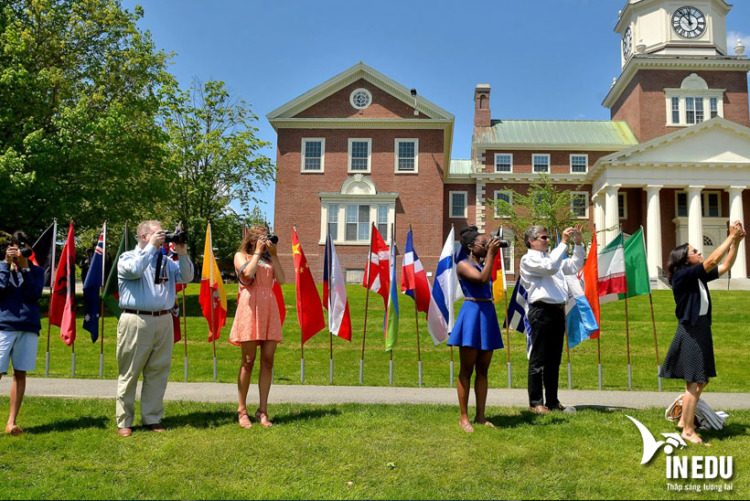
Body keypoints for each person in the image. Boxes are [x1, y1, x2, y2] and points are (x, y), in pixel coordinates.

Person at [661, 220, 745, 446]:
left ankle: (684, 420)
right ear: (684, 259)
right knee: (693, 382)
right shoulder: (683, 276)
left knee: (701, 380)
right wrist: (730, 236)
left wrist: (735, 242)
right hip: (690, 330)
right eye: (694, 251)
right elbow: (712, 260)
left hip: (701, 329)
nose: (699, 252)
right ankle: (688, 431)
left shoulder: (696, 276)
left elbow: (725, 265)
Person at [115, 220, 194, 437]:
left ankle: (152, 417)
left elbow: (187, 277)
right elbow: (134, 270)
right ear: (144, 237)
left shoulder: (167, 261)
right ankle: (124, 421)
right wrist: (151, 248)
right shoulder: (127, 257)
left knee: (158, 371)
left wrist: (183, 253)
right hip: (136, 319)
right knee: (130, 372)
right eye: (159, 234)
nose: (164, 237)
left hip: (164, 319)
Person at [520, 224, 584, 415]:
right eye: (543, 238)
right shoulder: (528, 259)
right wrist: (563, 242)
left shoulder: (552, 258)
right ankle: (536, 403)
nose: (548, 240)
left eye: (548, 238)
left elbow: (574, 265)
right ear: (531, 241)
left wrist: (578, 244)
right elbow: (548, 269)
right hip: (541, 310)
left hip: (557, 310)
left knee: (553, 360)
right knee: (538, 358)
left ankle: (553, 401)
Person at [447, 226, 503, 432]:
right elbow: (482, 279)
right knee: (467, 369)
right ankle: (464, 417)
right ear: (471, 247)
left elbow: (488, 275)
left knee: (483, 369)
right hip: (472, 313)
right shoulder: (462, 264)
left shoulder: (484, 262)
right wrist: (491, 254)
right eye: (483, 243)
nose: (487, 245)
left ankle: (481, 416)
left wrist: (489, 255)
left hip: (487, 313)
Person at [229, 226, 285, 429]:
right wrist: (258, 252)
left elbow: (283, 279)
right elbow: (247, 274)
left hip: (269, 306)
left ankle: (263, 410)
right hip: (250, 307)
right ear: (251, 238)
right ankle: (242, 410)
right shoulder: (240, 255)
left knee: (268, 360)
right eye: (260, 236)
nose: (264, 239)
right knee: (248, 360)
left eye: (266, 235)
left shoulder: (270, 259)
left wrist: (275, 256)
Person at [0, 232, 45, 436]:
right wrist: (4, 264)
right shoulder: (2, 268)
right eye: (15, 248)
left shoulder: (36, 271)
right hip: (3, 326)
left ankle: (12, 422)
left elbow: (34, 294)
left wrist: (26, 269)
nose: (18, 253)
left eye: (23, 248)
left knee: (20, 373)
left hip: (28, 326)